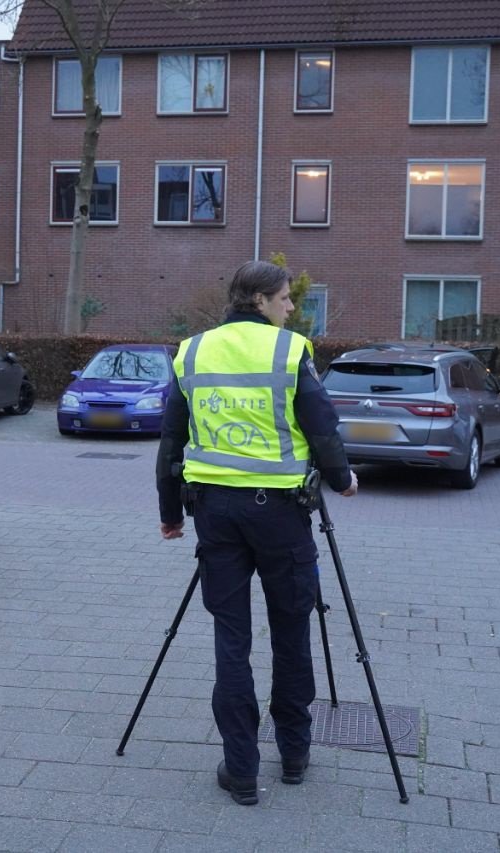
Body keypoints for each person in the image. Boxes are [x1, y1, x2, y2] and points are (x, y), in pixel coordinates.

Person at [155, 260, 357, 806]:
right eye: (285, 298)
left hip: (215, 512)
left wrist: (170, 512)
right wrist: (342, 479)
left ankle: (242, 768)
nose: (291, 307)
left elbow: (171, 440)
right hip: (281, 515)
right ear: (261, 300)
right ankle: (293, 754)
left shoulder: (192, 351)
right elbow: (321, 425)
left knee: (231, 639)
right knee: (292, 628)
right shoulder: (290, 350)